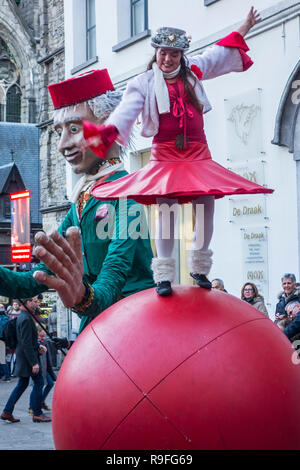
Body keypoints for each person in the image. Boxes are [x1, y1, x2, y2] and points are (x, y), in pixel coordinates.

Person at [83, 7, 273, 297]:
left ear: (181, 55)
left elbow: (220, 53)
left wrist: (245, 26)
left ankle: (199, 266)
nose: (167, 59)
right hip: (166, 154)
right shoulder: (144, 83)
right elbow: (127, 110)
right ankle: (164, 276)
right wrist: (108, 132)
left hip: (198, 152)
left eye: (173, 54)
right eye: (163, 53)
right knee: (167, 209)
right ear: (156, 53)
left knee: (206, 203)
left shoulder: (193, 71)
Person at [0, 69, 155, 334]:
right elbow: (30, 281)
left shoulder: (129, 194)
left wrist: (83, 297)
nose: (62, 145)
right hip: (98, 328)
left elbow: (114, 274)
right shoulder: (82, 200)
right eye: (59, 131)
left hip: (136, 325)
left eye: (74, 129)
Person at [1, 298, 51, 423]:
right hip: (27, 359)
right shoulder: (26, 318)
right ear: (27, 302)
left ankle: (7, 411)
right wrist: (34, 362)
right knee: (39, 382)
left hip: (24, 356)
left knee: (22, 384)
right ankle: (37, 413)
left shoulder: (25, 317)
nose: (37, 303)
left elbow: (26, 340)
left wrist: (38, 346)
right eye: (34, 301)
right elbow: (26, 343)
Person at [28, 325, 56, 414]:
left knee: (50, 383)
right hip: (39, 367)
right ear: (38, 332)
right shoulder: (36, 342)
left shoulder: (45, 341)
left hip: (46, 368)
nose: (45, 331)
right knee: (36, 387)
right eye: (43, 330)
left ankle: (41, 401)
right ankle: (32, 406)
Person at [0, 303, 10, 382]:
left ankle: (7, 375)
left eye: (2, 307)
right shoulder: (6, 318)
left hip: (2, 340)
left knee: (2, 358)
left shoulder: (5, 318)